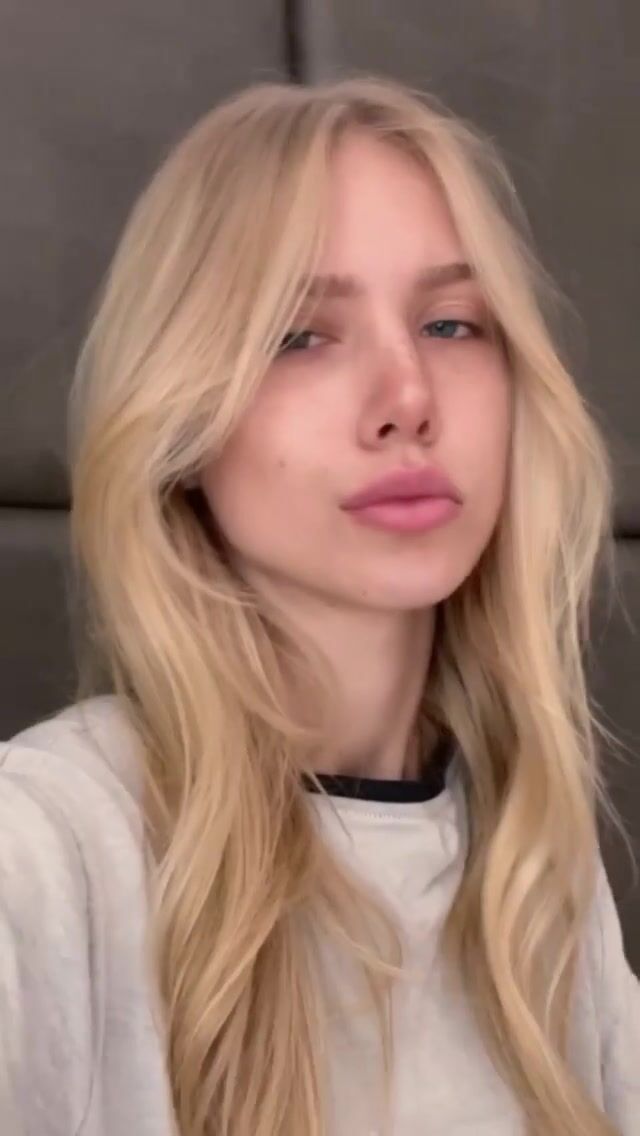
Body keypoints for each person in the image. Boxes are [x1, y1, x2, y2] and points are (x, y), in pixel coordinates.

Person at [0, 74, 638, 1136]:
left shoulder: (537, 874)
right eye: (300, 336)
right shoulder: (45, 849)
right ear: (184, 422)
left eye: (451, 323)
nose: (407, 399)